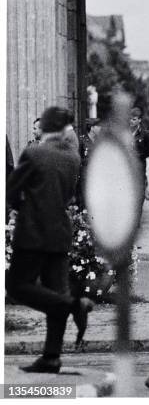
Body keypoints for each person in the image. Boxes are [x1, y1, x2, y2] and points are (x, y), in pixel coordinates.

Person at [6, 106, 94, 374]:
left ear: (43, 126)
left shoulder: (34, 153)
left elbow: (11, 190)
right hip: (60, 232)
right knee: (56, 292)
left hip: (32, 232)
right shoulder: (72, 157)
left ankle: (72, 306)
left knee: (17, 287)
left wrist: (19, 207)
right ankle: (51, 356)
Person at [76, 118, 102, 207]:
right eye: (98, 126)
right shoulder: (82, 140)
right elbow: (78, 158)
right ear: (92, 127)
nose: (100, 128)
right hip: (85, 175)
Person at [129, 107, 149, 191]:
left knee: (139, 192)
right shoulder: (125, 133)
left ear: (139, 120)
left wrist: (139, 156)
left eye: (134, 119)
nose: (131, 121)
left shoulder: (145, 134)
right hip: (127, 167)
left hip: (139, 167)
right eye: (130, 119)